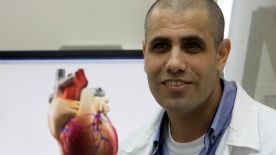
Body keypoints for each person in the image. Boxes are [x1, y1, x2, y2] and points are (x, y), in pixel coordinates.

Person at [118, 0, 276, 154]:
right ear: (145, 55)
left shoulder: (271, 140)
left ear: (221, 55)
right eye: (160, 46)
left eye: (192, 46)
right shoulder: (129, 149)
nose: (174, 63)